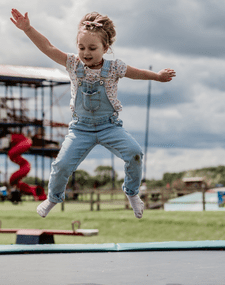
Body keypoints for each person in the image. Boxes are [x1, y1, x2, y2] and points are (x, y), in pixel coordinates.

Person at [10, 9, 176, 219]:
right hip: (81, 128)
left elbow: (137, 73)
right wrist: (27, 28)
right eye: (81, 47)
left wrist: (158, 76)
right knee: (61, 165)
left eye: (92, 48)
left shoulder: (115, 68)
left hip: (109, 126)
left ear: (106, 48)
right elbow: (48, 47)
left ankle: (132, 193)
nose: (85, 52)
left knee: (135, 154)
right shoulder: (72, 63)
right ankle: (53, 197)